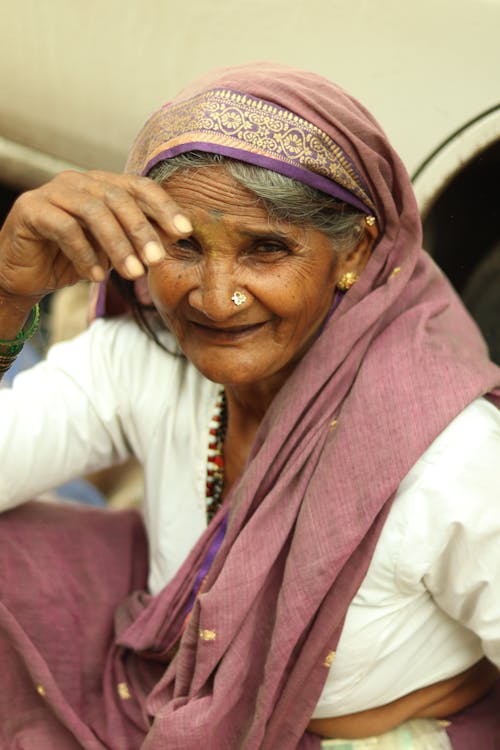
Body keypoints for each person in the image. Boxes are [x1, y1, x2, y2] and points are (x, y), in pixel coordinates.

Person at [0, 62, 499, 750]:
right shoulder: (149, 359)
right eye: (183, 246)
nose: (215, 296)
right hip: (166, 688)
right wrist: (6, 298)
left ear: (354, 251)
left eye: (266, 249)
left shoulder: (453, 454)